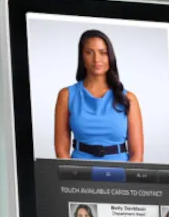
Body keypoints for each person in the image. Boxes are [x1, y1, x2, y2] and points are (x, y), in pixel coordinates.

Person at [54, 30, 144, 162]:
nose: (96, 59)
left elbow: (137, 155)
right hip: (80, 173)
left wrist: (125, 180)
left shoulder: (129, 99)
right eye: (89, 52)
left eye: (103, 53)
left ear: (110, 57)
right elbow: (61, 150)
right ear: (82, 57)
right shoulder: (66, 95)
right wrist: (72, 177)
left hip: (120, 174)